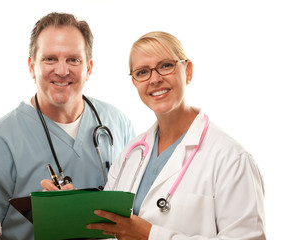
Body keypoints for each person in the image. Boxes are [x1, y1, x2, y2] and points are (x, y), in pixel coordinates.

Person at [0, 12, 135, 240]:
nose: (62, 71)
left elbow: (138, 208)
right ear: (31, 66)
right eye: (50, 59)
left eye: (73, 59)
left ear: (89, 68)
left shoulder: (117, 123)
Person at [84, 31, 266, 239]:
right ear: (135, 83)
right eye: (142, 72)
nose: (154, 79)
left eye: (165, 66)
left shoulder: (231, 158)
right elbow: (108, 224)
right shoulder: (132, 153)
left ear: (188, 71)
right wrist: (71, 204)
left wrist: (151, 236)